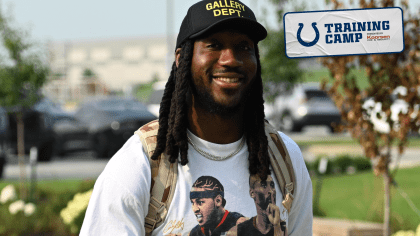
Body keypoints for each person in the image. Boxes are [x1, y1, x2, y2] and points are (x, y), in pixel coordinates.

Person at [80, 0, 313, 235]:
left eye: (244, 47)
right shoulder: (140, 165)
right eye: (214, 45)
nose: (230, 59)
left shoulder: (284, 158)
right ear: (183, 58)